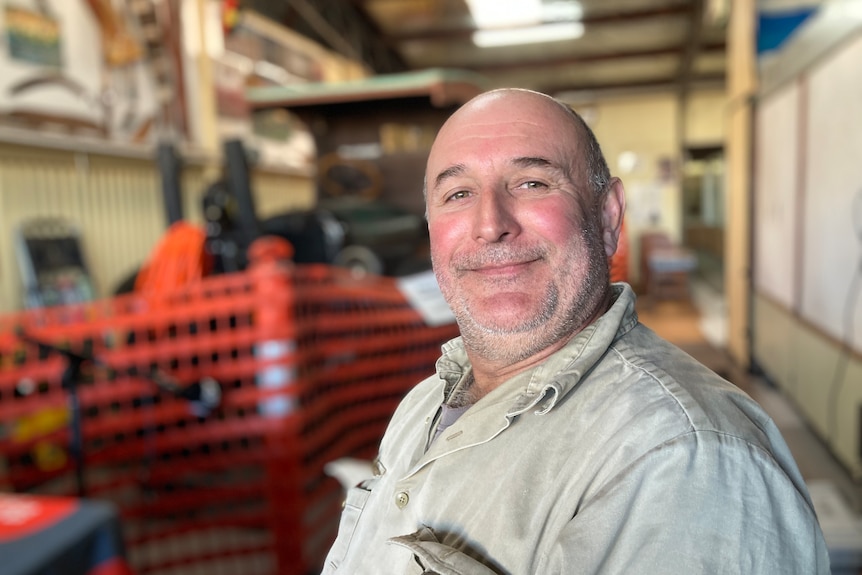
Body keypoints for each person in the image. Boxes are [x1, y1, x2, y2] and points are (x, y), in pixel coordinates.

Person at [321, 88, 830, 574]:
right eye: (457, 193)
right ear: (432, 228)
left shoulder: (684, 461)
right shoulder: (421, 406)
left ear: (609, 216)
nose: (489, 223)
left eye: (532, 183)